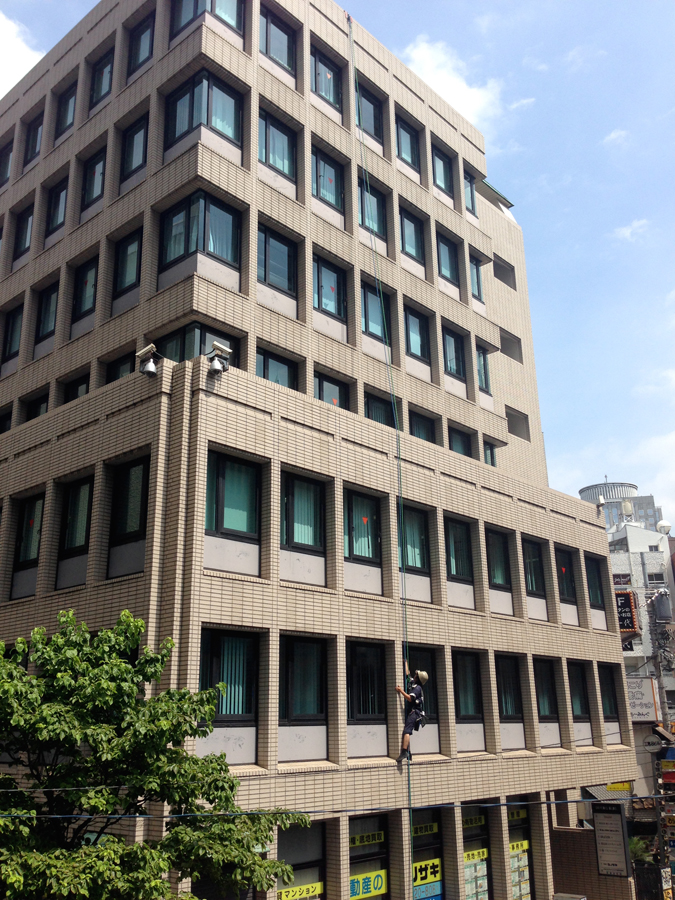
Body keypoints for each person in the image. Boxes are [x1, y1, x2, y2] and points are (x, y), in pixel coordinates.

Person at [395, 660, 428, 763]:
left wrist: (401, 691)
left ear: (418, 678)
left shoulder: (417, 688)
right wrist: (405, 661)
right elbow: (407, 674)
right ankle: (409, 753)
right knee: (407, 731)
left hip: (415, 712)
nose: (415, 675)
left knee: (407, 731)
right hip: (412, 712)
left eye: (416, 675)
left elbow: (410, 698)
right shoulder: (414, 683)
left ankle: (404, 752)